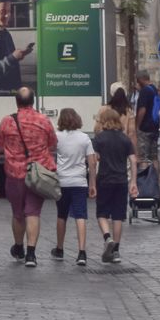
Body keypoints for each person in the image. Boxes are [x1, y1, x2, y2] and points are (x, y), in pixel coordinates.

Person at [0, 86, 57, 268]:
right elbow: (52, 143)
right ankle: (31, 254)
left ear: (16, 102)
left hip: (15, 174)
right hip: (37, 174)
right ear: (33, 101)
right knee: (33, 213)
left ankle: (19, 246)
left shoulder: (7, 122)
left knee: (18, 214)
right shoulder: (44, 120)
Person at [92, 104, 137, 264]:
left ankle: (107, 237)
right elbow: (133, 159)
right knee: (118, 216)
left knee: (102, 213)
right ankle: (116, 250)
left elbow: (94, 159)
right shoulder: (125, 139)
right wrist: (133, 181)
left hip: (104, 179)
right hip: (121, 180)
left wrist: (92, 179)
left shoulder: (99, 139)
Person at [52, 107, 97, 266]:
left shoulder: (57, 137)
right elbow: (92, 163)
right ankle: (82, 252)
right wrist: (92, 183)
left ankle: (59, 248)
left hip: (62, 181)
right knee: (80, 215)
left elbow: (50, 154)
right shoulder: (85, 138)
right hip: (79, 182)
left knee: (61, 215)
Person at [0, 0, 33, 95]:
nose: (7, 15)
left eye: (9, 11)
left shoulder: (5, 32)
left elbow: (9, 64)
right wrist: (12, 58)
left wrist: (19, 55)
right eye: (3, 12)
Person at [134, 69, 159, 164]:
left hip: (145, 128)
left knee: (143, 157)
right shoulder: (154, 89)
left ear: (141, 79)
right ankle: (154, 177)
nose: (137, 82)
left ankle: (145, 178)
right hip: (155, 127)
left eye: (137, 79)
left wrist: (137, 125)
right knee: (154, 157)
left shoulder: (144, 91)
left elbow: (142, 110)